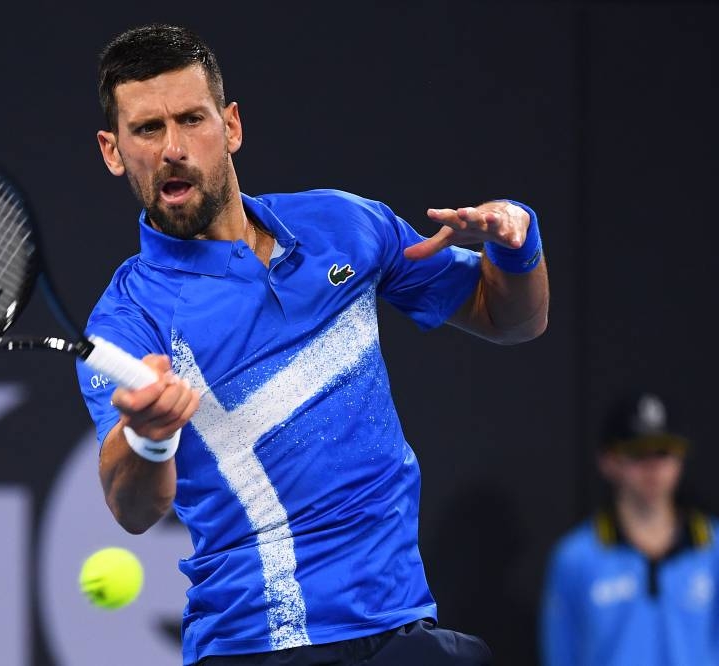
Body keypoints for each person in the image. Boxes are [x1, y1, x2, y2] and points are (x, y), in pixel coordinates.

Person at [77, 23, 549, 666]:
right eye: (147, 129)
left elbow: (511, 318)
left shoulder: (345, 225)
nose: (174, 149)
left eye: (191, 119)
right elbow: (133, 507)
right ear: (112, 150)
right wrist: (149, 436)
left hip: (399, 623)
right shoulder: (129, 319)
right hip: (261, 643)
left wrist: (516, 243)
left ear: (231, 126)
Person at [540, 391, 719, 666]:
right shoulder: (575, 557)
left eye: (663, 452)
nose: (653, 467)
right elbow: (561, 655)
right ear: (608, 461)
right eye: (638, 453)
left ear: (680, 460)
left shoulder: (713, 547)